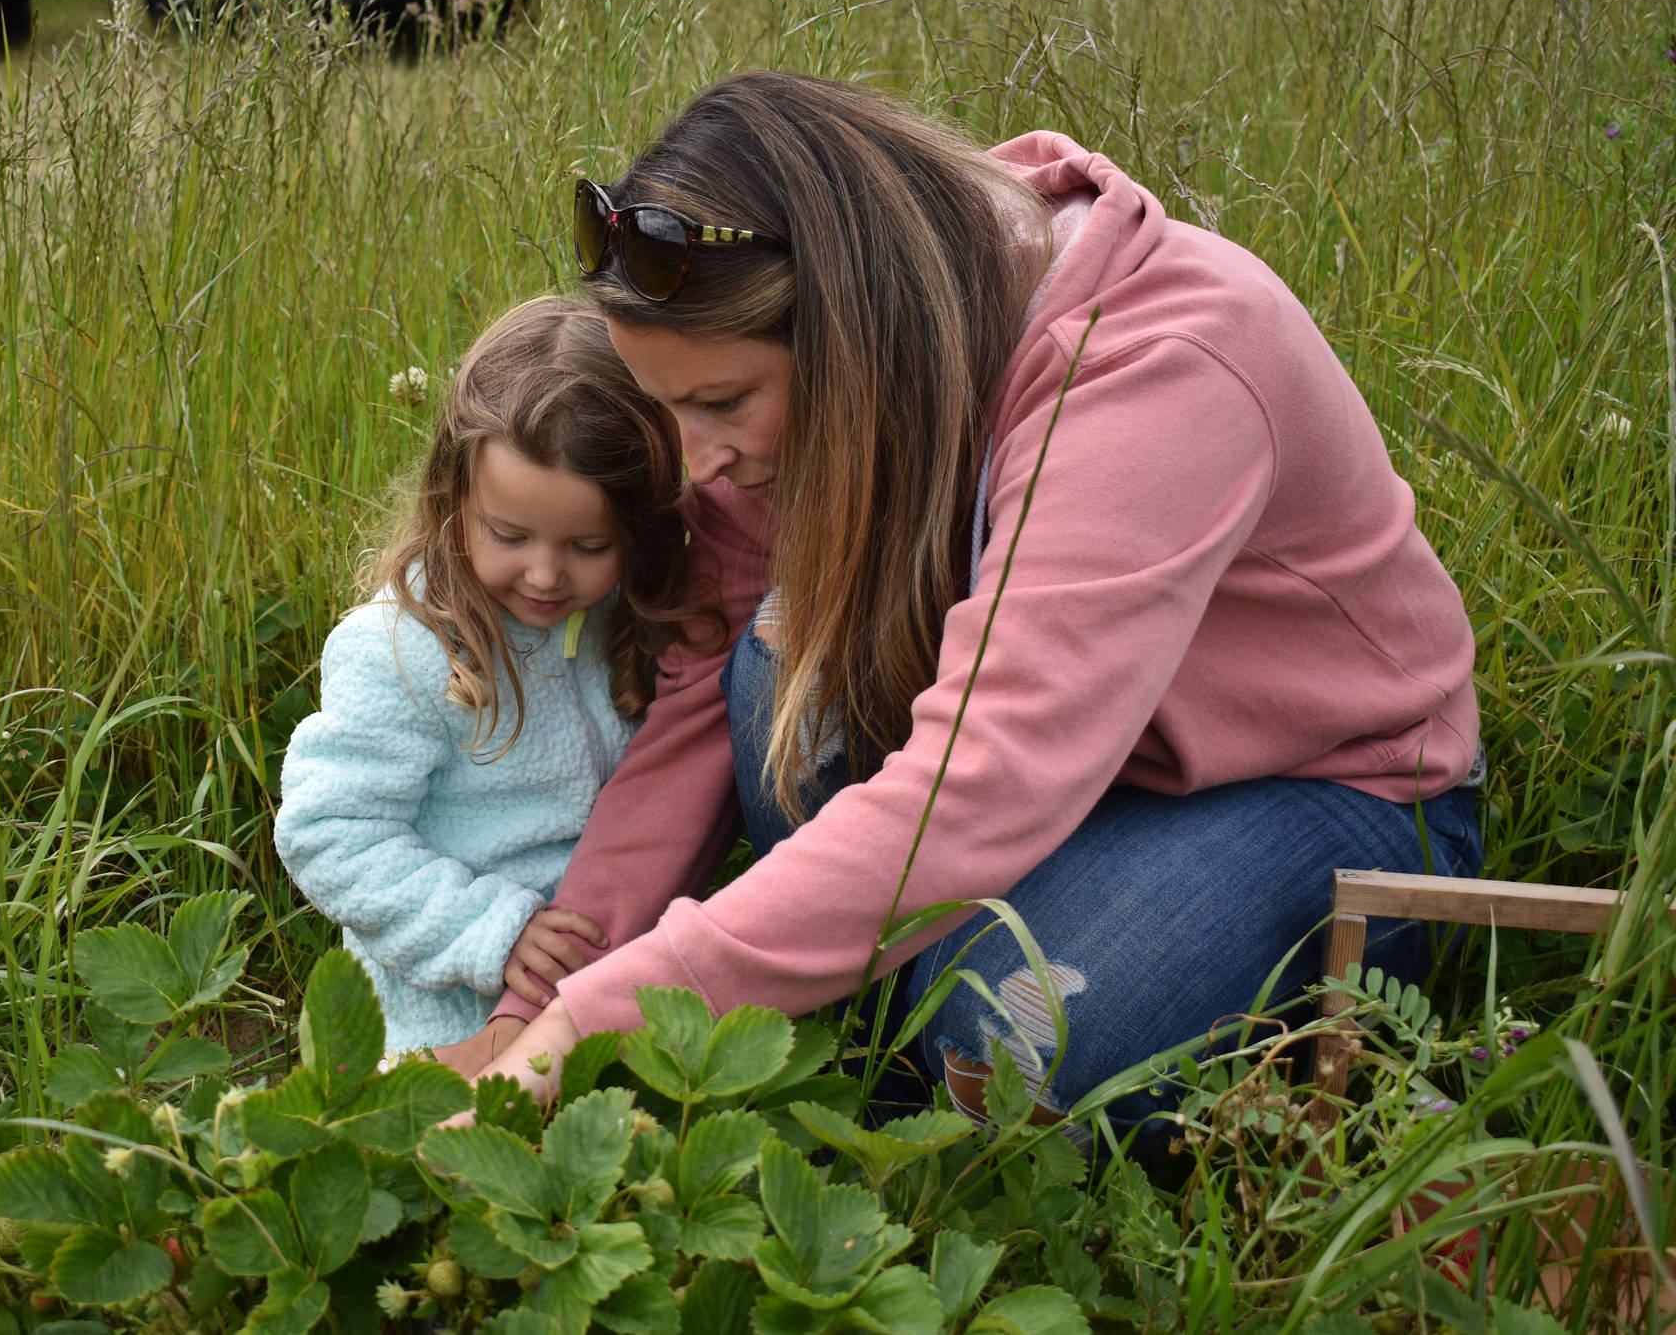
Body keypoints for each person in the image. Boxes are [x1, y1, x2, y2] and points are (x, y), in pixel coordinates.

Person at [442, 72, 1485, 1144]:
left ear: (852, 336)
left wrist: (591, 1025)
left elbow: (979, 784)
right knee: (772, 660)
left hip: (1324, 790)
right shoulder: (893, 326)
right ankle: (912, 982)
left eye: (718, 405)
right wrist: (536, 1013)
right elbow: (703, 698)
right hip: (1061, 771)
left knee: (1001, 1037)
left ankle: (1272, 1063)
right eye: (664, 405)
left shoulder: (1155, 364)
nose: (694, 463)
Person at [273, 296, 710, 1058]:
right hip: (443, 1014)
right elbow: (329, 832)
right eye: (509, 535)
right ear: (454, 499)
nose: (546, 574)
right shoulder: (402, 650)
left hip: (599, 981)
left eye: (588, 545)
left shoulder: (623, 624)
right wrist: (488, 929)